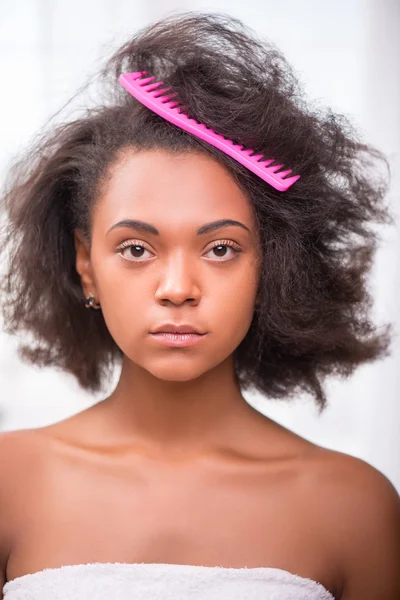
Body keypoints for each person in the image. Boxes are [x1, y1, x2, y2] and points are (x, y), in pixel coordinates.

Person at [0, 11, 399, 600]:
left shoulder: (355, 509)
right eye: (137, 248)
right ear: (87, 264)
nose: (178, 286)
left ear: (272, 266)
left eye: (220, 248)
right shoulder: (10, 482)